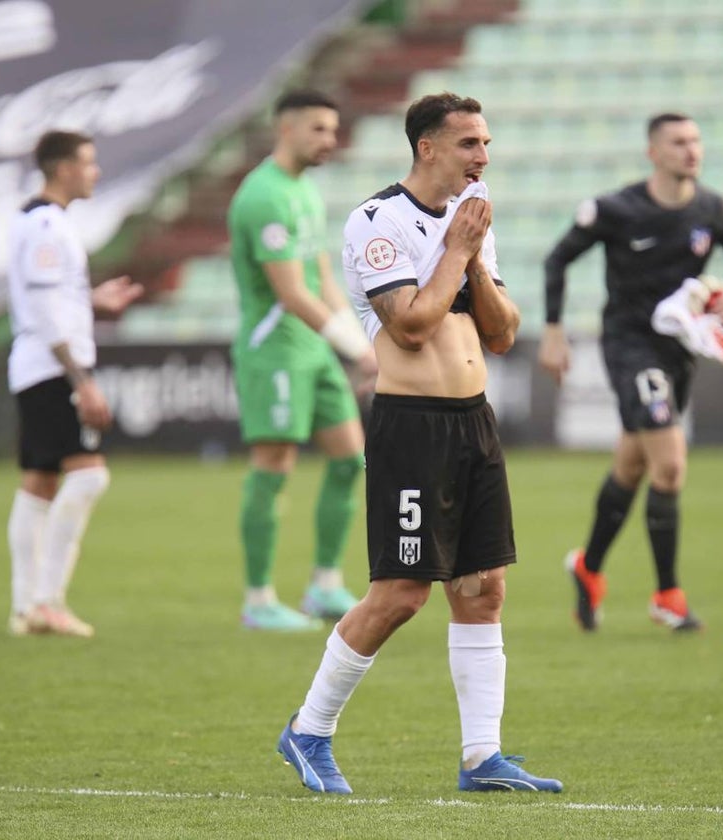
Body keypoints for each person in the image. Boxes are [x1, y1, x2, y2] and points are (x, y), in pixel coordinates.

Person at [276, 92, 562, 795]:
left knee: (484, 587)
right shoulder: (377, 222)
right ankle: (308, 731)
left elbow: (501, 331)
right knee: (401, 594)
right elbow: (408, 326)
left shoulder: (472, 217)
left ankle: (481, 757)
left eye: (487, 144)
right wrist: (457, 251)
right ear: (427, 147)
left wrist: (469, 255)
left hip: (474, 421)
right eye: (469, 144)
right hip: (413, 427)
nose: (483, 157)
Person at [539, 113, 723, 633]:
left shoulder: (715, 209)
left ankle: (588, 568)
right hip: (629, 346)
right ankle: (668, 595)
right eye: (679, 142)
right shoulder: (618, 209)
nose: (692, 150)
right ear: (653, 153)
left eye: (696, 140)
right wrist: (553, 330)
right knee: (671, 466)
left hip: (680, 350)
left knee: (633, 467)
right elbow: (557, 259)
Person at [227, 90, 377, 631]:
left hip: (313, 350)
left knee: (349, 461)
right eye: (318, 129)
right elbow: (292, 293)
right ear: (285, 130)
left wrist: (362, 341)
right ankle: (258, 599)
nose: (329, 141)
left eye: (332, 130)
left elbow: (322, 279)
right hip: (275, 352)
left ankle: (324, 585)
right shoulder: (264, 197)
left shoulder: (304, 191)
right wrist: (357, 348)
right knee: (273, 467)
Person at [5, 130, 142, 638]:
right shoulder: (47, 225)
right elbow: (43, 308)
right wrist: (81, 380)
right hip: (52, 368)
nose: (95, 171)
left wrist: (91, 301)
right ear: (62, 168)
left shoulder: (35, 220)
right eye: (88, 162)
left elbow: (50, 299)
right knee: (88, 476)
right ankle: (47, 600)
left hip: (34, 364)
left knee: (40, 482)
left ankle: (26, 606)